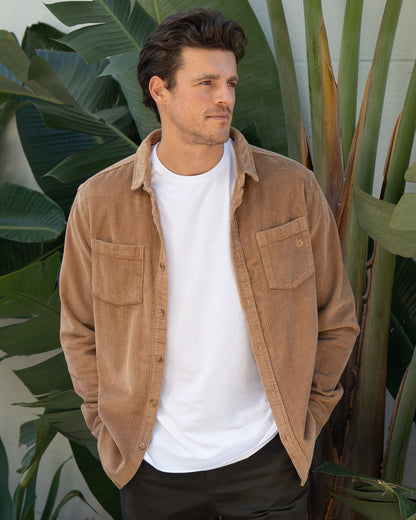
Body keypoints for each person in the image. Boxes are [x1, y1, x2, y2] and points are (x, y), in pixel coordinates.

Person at [59, 8, 359, 520]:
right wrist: (111, 427)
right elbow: (79, 330)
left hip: (266, 460)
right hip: (154, 471)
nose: (226, 97)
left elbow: (336, 316)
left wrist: (305, 417)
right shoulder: (100, 203)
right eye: (206, 83)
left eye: (230, 82)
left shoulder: (291, 190)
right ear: (160, 91)